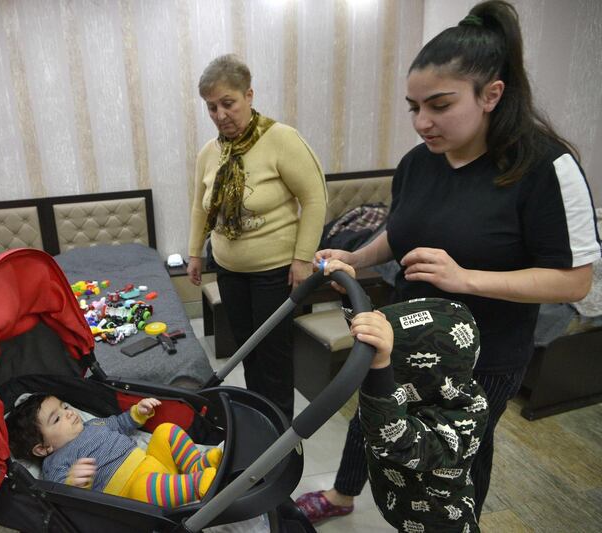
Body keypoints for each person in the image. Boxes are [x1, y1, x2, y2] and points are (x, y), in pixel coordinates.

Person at [295, 0, 600, 524]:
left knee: (452, 457)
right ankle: (343, 494)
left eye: (438, 105)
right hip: (401, 332)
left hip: (481, 356)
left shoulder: (546, 168)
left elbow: (575, 282)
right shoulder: (420, 162)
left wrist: (466, 279)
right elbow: (401, 230)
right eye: (413, 107)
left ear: (491, 94)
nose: (421, 122)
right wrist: (357, 256)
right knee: (373, 416)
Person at [297, 261, 489, 531]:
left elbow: (394, 437)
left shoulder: (464, 419)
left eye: (391, 363)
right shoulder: (428, 385)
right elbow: (380, 337)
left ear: (422, 373)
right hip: (401, 505)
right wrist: (350, 295)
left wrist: (380, 364)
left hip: (440, 522)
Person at [186, 53, 327, 420]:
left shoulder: (281, 139)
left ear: (249, 95)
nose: (220, 115)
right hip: (229, 268)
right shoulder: (210, 152)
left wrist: (302, 259)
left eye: (227, 103)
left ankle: (281, 435)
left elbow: (315, 199)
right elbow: (201, 208)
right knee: (248, 350)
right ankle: (260, 419)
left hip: (275, 271)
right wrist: (195, 254)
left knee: (273, 355)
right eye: (211, 107)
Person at [6, 394, 222, 508]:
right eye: (57, 418)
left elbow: (120, 423)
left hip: (153, 463)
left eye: (64, 407)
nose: (69, 413)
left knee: (165, 431)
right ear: (44, 448)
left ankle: (195, 465)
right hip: (134, 492)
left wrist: (138, 413)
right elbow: (62, 496)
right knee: (142, 489)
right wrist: (73, 483)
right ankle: (196, 485)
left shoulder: (94, 425)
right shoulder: (55, 463)